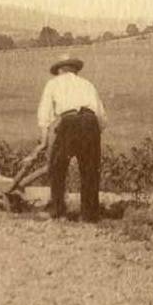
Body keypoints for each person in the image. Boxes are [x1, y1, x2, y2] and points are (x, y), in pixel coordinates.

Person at [34, 56, 107, 222]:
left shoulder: (53, 83)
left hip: (70, 122)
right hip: (90, 122)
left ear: (59, 70)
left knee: (57, 167)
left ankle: (58, 212)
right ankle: (89, 215)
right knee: (90, 170)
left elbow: (45, 113)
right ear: (75, 69)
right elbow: (102, 117)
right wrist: (93, 135)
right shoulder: (88, 84)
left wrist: (44, 141)